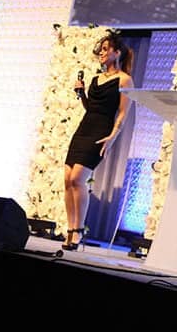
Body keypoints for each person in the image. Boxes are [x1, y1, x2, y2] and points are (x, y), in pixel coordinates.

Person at [63, 30, 133, 251]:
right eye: (100, 50)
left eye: (105, 49)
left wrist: (113, 136)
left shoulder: (124, 79)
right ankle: (70, 229)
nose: (101, 53)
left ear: (117, 52)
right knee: (67, 180)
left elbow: (123, 112)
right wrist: (82, 94)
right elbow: (90, 108)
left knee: (78, 179)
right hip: (84, 128)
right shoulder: (95, 79)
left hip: (101, 131)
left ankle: (79, 230)